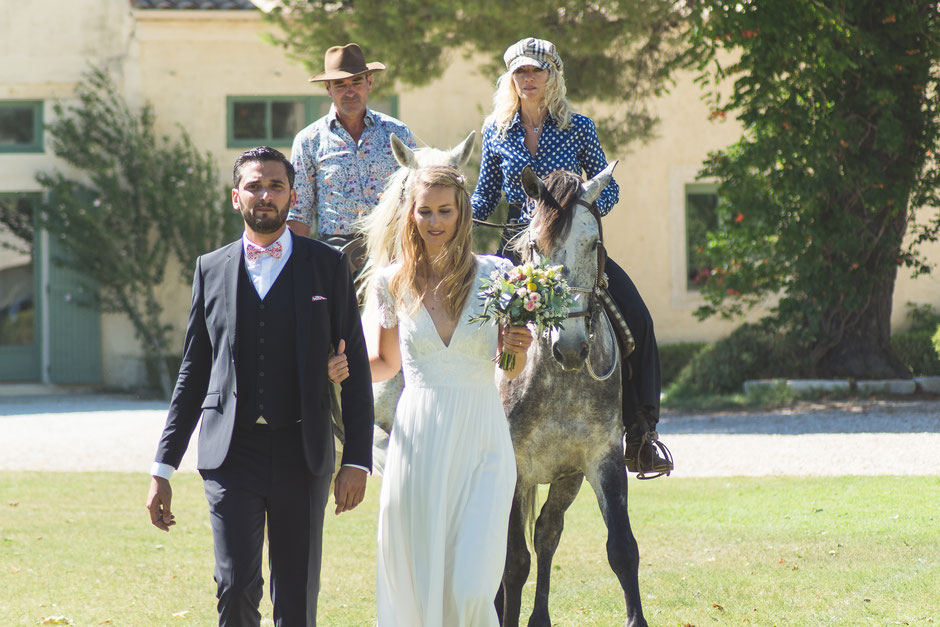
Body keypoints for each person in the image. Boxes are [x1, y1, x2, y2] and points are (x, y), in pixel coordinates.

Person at [145, 146, 374, 626]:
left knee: (296, 594)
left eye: (275, 185)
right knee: (234, 586)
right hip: (232, 452)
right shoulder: (211, 268)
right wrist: (162, 466)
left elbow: (352, 363)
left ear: (292, 195)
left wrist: (356, 459)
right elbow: (193, 371)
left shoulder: (327, 266)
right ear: (235, 197)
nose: (265, 194)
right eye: (254, 185)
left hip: (303, 449)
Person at [470, 37, 673, 477]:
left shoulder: (578, 127)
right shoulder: (495, 130)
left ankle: (641, 433)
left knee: (638, 318)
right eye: (519, 72)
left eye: (536, 70)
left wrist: (578, 211)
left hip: (574, 252)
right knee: (485, 328)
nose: (528, 79)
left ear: (553, 75)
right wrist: (448, 218)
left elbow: (610, 187)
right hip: (517, 254)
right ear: (511, 79)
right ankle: (478, 428)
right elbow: (484, 196)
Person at [359, 165, 533, 625]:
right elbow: (386, 363)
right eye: (425, 211)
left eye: (445, 211)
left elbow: (509, 369)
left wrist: (518, 347)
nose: (435, 222)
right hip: (419, 443)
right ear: (410, 216)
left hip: (482, 439)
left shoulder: (499, 275)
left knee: (472, 585)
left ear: (462, 213)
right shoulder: (390, 281)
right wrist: (338, 371)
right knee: (420, 578)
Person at [288, 42, 417, 247]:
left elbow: (416, 195)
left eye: (357, 82)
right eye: (340, 84)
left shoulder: (398, 133)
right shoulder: (309, 141)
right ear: (327, 88)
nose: (350, 92)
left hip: (390, 249)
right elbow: (300, 212)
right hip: (333, 253)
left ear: (370, 83)